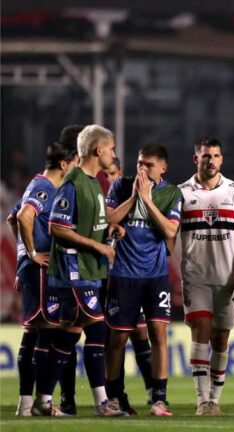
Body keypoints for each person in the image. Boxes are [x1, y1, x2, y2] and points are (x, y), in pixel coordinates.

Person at [43, 124, 127, 417]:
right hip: (73, 270)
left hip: (89, 270)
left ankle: (42, 400)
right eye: (112, 148)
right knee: (97, 329)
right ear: (98, 150)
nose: (114, 154)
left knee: (68, 336)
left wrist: (110, 230)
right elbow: (57, 226)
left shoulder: (93, 182)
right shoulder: (74, 181)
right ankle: (103, 403)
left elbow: (94, 224)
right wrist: (99, 247)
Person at [104, 143, 182, 416]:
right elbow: (109, 218)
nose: (142, 168)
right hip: (123, 274)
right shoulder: (120, 187)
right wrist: (135, 196)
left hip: (156, 276)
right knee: (118, 339)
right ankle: (114, 397)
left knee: (158, 334)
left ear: (163, 167)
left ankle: (159, 398)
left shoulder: (171, 193)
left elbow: (171, 229)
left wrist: (148, 200)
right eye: (139, 163)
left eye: (148, 164)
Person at [8, 131, 80, 416]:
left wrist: (22, 257)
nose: (75, 167)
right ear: (63, 163)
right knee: (46, 334)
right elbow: (24, 216)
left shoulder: (37, 182)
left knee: (32, 334)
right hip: (40, 270)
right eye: (73, 162)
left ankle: (26, 404)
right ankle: (40, 403)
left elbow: (11, 218)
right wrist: (32, 253)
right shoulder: (46, 187)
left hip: (33, 269)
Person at [179, 137, 234, 415]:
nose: (211, 160)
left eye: (216, 156)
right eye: (206, 156)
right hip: (196, 278)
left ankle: (215, 399)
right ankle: (202, 400)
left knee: (221, 339)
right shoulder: (181, 193)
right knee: (201, 332)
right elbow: (172, 235)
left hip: (227, 278)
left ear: (221, 159)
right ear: (196, 159)